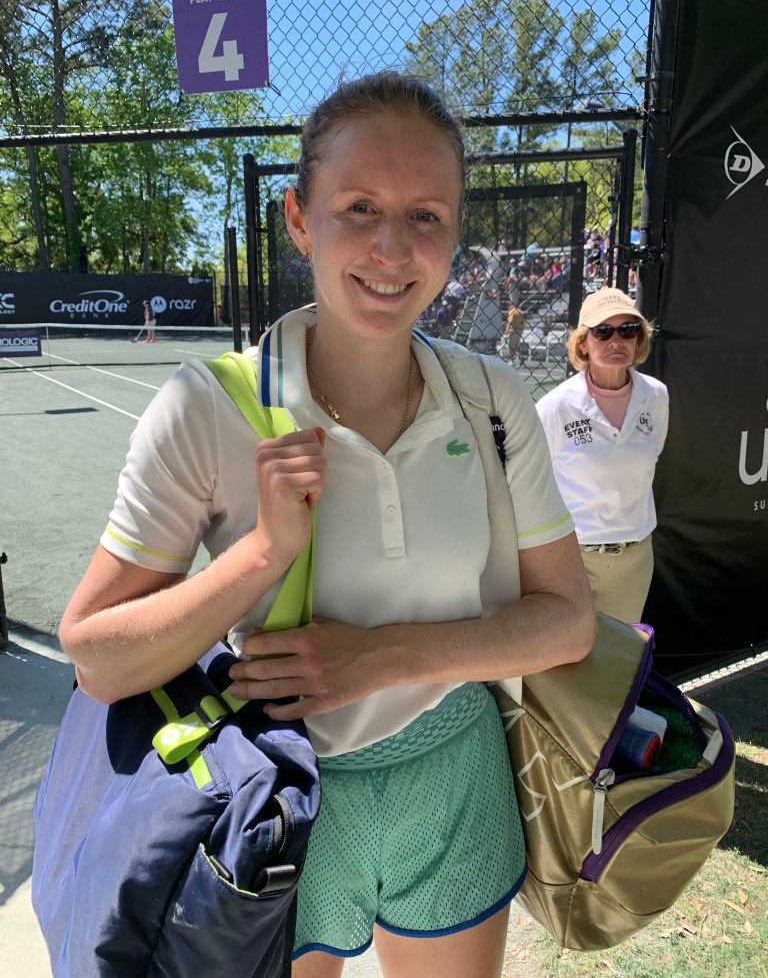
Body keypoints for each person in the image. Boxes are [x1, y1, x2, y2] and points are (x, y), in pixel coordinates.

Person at [59, 69, 595, 978]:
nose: (393, 247)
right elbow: (97, 658)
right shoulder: (207, 405)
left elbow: (569, 621)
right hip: (287, 791)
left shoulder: (492, 399)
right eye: (358, 208)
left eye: (425, 215)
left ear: (454, 234)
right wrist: (264, 552)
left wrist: (384, 659)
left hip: (454, 772)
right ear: (300, 219)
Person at [535, 287, 669, 626]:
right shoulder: (554, 407)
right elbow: (532, 481)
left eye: (628, 330)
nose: (616, 340)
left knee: (621, 652)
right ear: (583, 342)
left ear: (639, 339)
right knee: (564, 650)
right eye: (603, 331)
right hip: (570, 557)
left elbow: (653, 453)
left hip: (633, 558)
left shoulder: (657, 396)